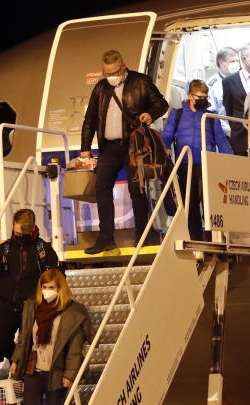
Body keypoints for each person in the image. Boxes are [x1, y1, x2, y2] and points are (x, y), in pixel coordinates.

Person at [80, 49, 169, 254]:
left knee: (136, 191)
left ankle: (143, 235)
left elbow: (161, 103)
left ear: (123, 67)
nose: (110, 77)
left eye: (113, 73)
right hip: (108, 148)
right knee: (102, 190)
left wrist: (150, 113)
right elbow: (90, 119)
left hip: (133, 146)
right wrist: (85, 148)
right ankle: (105, 239)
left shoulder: (141, 81)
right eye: (106, 73)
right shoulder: (101, 88)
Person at [9, 269, 93, 405]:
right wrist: (15, 360)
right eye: (44, 287)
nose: (47, 291)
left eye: (51, 288)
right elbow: (24, 339)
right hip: (34, 366)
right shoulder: (33, 307)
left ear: (60, 288)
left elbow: (74, 349)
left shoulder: (73, 313)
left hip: (57, 370)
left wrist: (70, 374)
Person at [0, 209, 59, 362]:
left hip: (31, 305)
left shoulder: (43, 249)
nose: (18, 237)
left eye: (22, 235)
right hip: (7, 304)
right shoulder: (5, 248)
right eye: (16, 232)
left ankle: (21, 368)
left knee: (28, 344)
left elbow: (56, 277)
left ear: (32, 229)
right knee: (0, 342)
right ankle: (18, 365)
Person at [161, 79, 233, 241]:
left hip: (206, 165)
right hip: (185, 165)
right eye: (200, 97)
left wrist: (231, 162)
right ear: (190, 96)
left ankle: (215, 236)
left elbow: (221, 141)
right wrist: (164, 148)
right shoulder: (177, 114)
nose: (203, 100)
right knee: (190, 203)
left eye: (205, 97)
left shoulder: (210, 116)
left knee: (209, 202)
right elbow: (166, 135)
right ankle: (194, 237)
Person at [221, 43, 250, 156]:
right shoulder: (229, 81)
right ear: (244, 59)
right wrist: (237, 125)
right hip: (240, 135)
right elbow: (228, 108)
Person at [205, 47, 240, 128]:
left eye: (237, 61)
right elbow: (211, 112)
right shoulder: (211, 85)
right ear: (221, 63)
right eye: (232, 61)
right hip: (225, 131)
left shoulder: (242, 79)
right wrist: (227, 130)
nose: (236, 64)